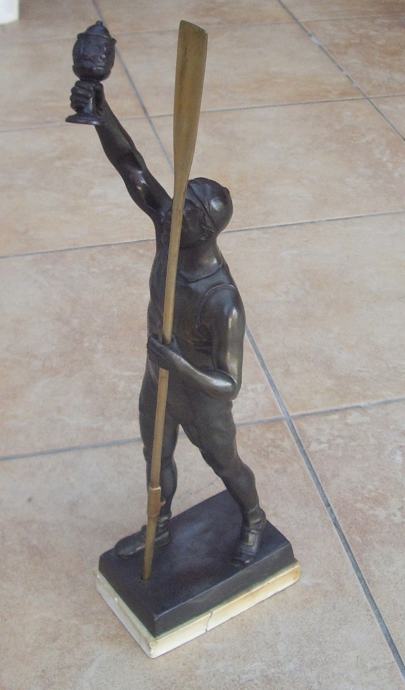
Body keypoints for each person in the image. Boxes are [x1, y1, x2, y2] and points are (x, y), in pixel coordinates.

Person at [70, 82, 267, 566]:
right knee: (156, 457)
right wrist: (100, 110)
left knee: (225, 464)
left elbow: (230, 383)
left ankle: (253, 516)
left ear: (205, 228)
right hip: (157, 375)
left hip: (201, 396)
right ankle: (157, 527)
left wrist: (179, 364)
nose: (175, 208)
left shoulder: (223, 301)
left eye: (187, 207)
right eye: (181, 198)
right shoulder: (169, 232)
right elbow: (132, 166)